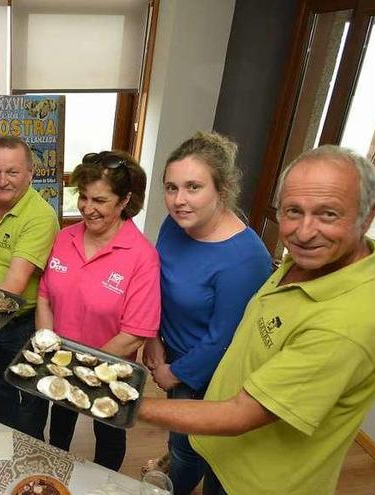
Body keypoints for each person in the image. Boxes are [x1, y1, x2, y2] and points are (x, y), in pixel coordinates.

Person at [137, 145, 375, 495]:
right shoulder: (304, 263)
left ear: (367, 217)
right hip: (225, 454)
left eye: (328, 214)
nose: (305, 232)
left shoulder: (353, 321)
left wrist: (129, 402)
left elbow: (240, 414)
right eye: (294, 211)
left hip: (259, 482)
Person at [142, 132, 271, 495]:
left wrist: (174, 373)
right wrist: (153, 338)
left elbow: (223, 339)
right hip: (172, 352)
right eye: (171, 188)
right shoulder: (176, 223)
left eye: (193, 187)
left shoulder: (244, 260)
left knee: (190, 449)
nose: (179, 200)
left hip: (210, 376)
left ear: (222, 189)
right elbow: (156, 279)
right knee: (179, 439)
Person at [36, 150, 161, 471]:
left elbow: (134, 334)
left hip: (110, 372)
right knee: (59, 426)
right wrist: (49, 346)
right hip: (62, 362)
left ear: (124, 201)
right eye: (83, 197)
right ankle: (57, 473)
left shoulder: (142, 257)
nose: (87, 209)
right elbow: (46, 296)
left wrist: (85, 369)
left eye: (100, 201)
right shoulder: (65, 238)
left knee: (108, 437)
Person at [0, 136, 59, 439]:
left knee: (30, 395)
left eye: (12, 172)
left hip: (19, 322)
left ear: (30, 173)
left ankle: (30, 449)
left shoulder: (41, 216)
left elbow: (14, 284)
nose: (2, 180)